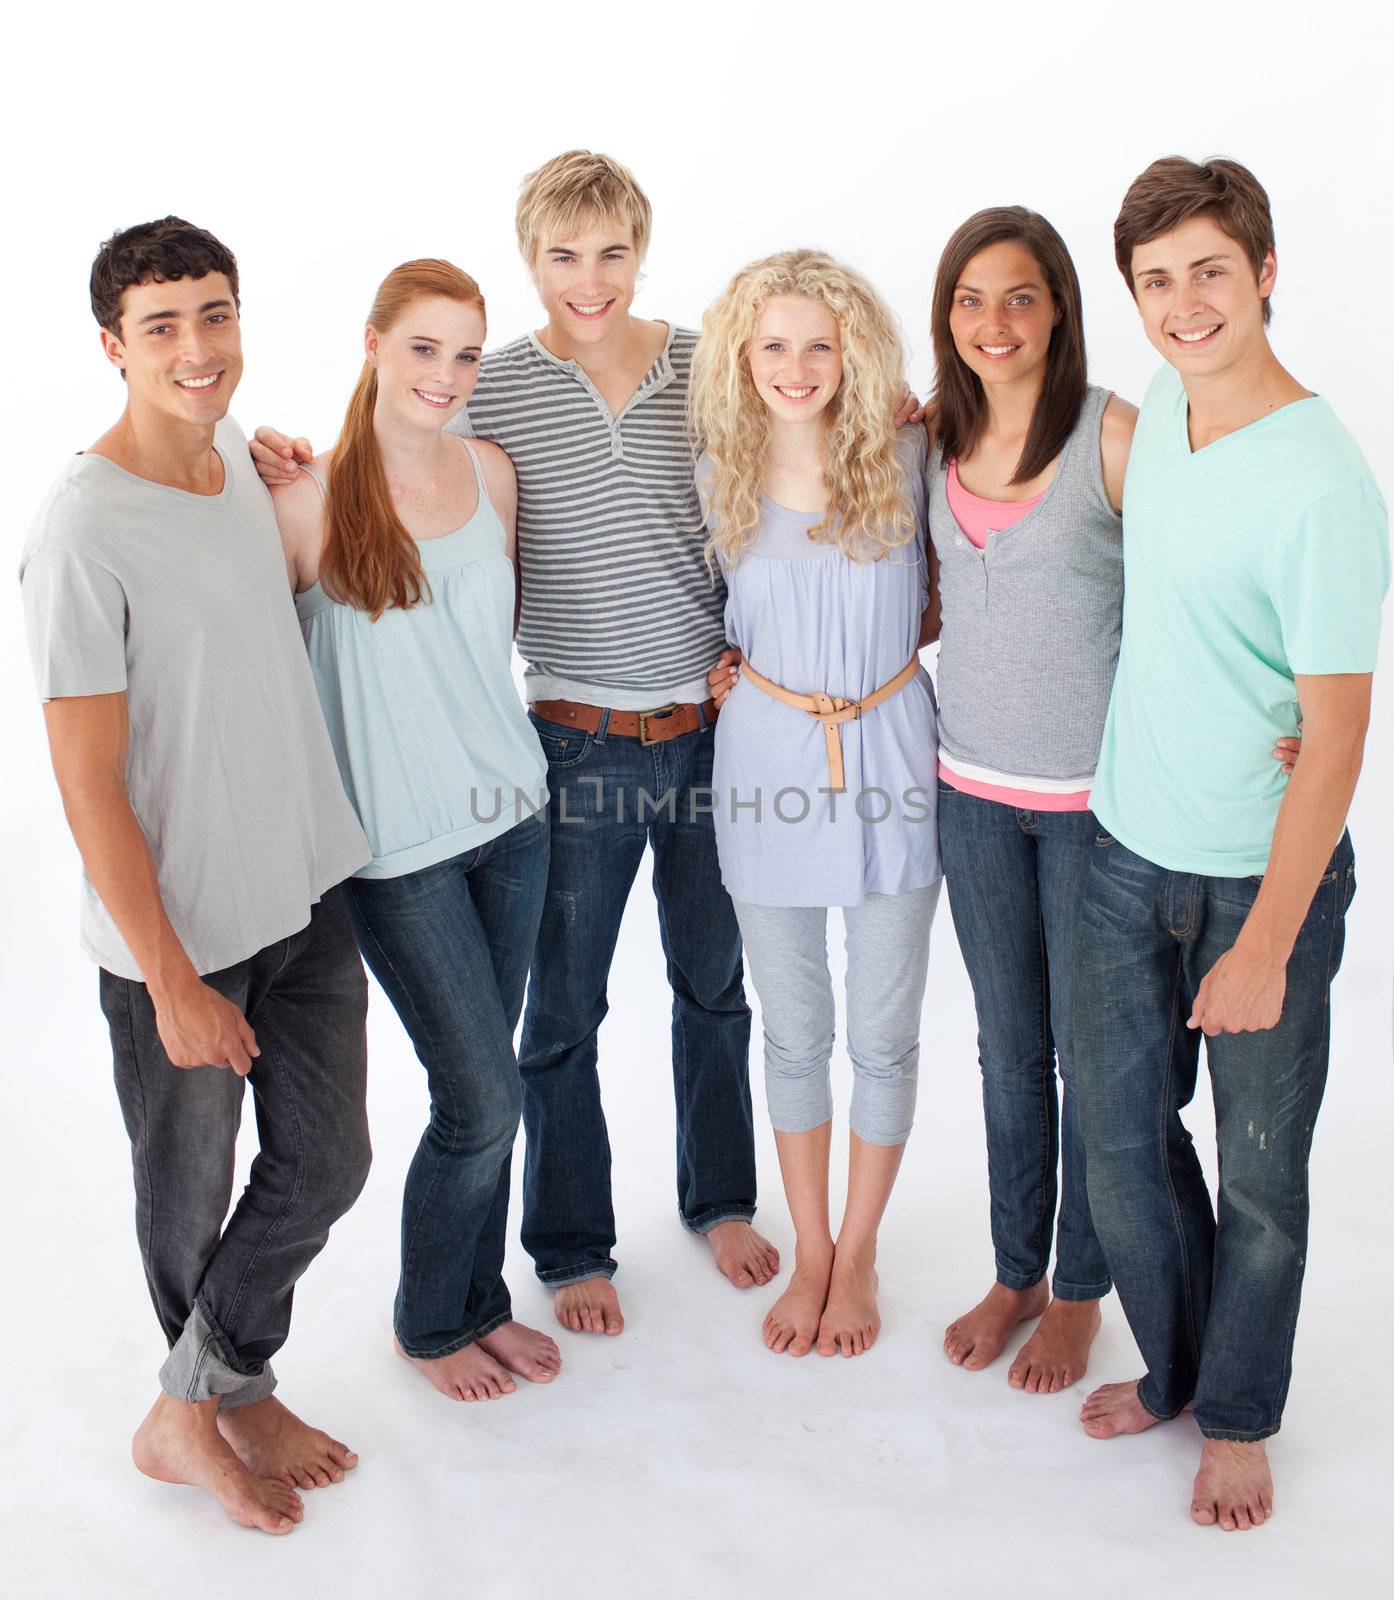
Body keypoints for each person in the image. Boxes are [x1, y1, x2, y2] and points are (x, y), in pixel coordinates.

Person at [252, 151, 776, 1337]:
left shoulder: (707, 367)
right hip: (570, 744)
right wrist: (269, 456)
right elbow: (395, 438)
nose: (586, 280)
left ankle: (720, 1199)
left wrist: (900, 417)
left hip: (709, 731)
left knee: (713, 982)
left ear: (640, 252)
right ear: (529, 259)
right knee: (560, 1014)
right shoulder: (492, 391)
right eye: (560, 256)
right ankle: (570, 1244)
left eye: (609, 254)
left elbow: (797, 442)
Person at [19, 218, 374, 1535]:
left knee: (328, 1159)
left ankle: (203, 1392)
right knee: (187, 1199)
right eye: (161, 327)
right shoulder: (78, 532)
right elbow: (85, 782)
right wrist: (168, 978)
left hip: (300, 884)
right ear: (112, 348)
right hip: (178, 933)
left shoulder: (232, 450)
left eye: (213, 316)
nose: (196, 347)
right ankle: (210, 1406)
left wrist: (279, 454)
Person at [1072, 156, 1388, 1532]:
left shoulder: (1320, 483)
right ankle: (1178, 1367)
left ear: (1264, 274)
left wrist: (1266, 941)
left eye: (1210, 270)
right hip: (1121, 850)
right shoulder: (1159, 418)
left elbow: (1334, 739)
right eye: (1154, 281)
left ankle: (1239, 1416)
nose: (1183, 302)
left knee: (1257, 1174)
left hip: (1262, 886)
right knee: (1124, 1148)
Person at [267, 259, 559, 1404]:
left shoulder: (492, 475)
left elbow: (493, 647)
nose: (445, 374)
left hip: (515, 822)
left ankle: (476, 1300)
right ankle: (430, 1319)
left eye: (467, 353)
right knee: (482, 1095)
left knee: (483, 1089)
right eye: (424, 347)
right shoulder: (300, 499)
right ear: (375, 346)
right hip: (398, 854)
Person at [692, 250, 941, 1358]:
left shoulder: (908, 449)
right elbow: (688, 606)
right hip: (765, 761)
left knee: (883, 1035)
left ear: (855, 353)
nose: (796, 367)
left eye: (819, 344)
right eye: (773, 345)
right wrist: (718, 669)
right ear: (742, 357)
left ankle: (860, 1248)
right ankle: (807, 1248)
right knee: (793, 1032)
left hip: (892, 750)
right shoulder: (714, 467)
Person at [926, 208, 1134, 1393]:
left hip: (1089, 807)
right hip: (968, 794)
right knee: (1008, 1052)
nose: (991, 323)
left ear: (1056, 303)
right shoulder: (933, 440)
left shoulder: (1114, 437)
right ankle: (1014, 1270)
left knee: (1087, 1055)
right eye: (968, 299)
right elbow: (916, 603)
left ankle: (1078, 1290)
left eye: (1016, 296)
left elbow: (1192, 596)